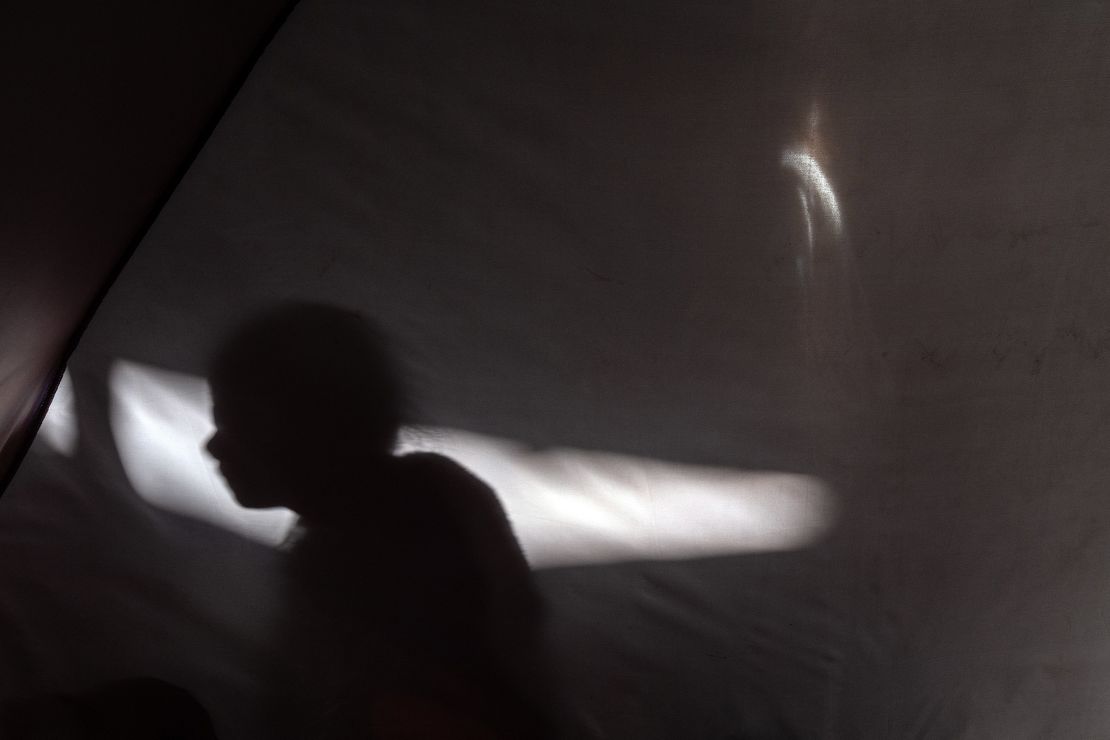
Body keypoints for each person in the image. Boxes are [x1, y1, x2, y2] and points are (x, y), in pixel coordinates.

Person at [205, 303, 553, 739]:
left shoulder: (368, 550)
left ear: (309, 427)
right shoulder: (433, 496)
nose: (213, 446)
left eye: (236, 422)